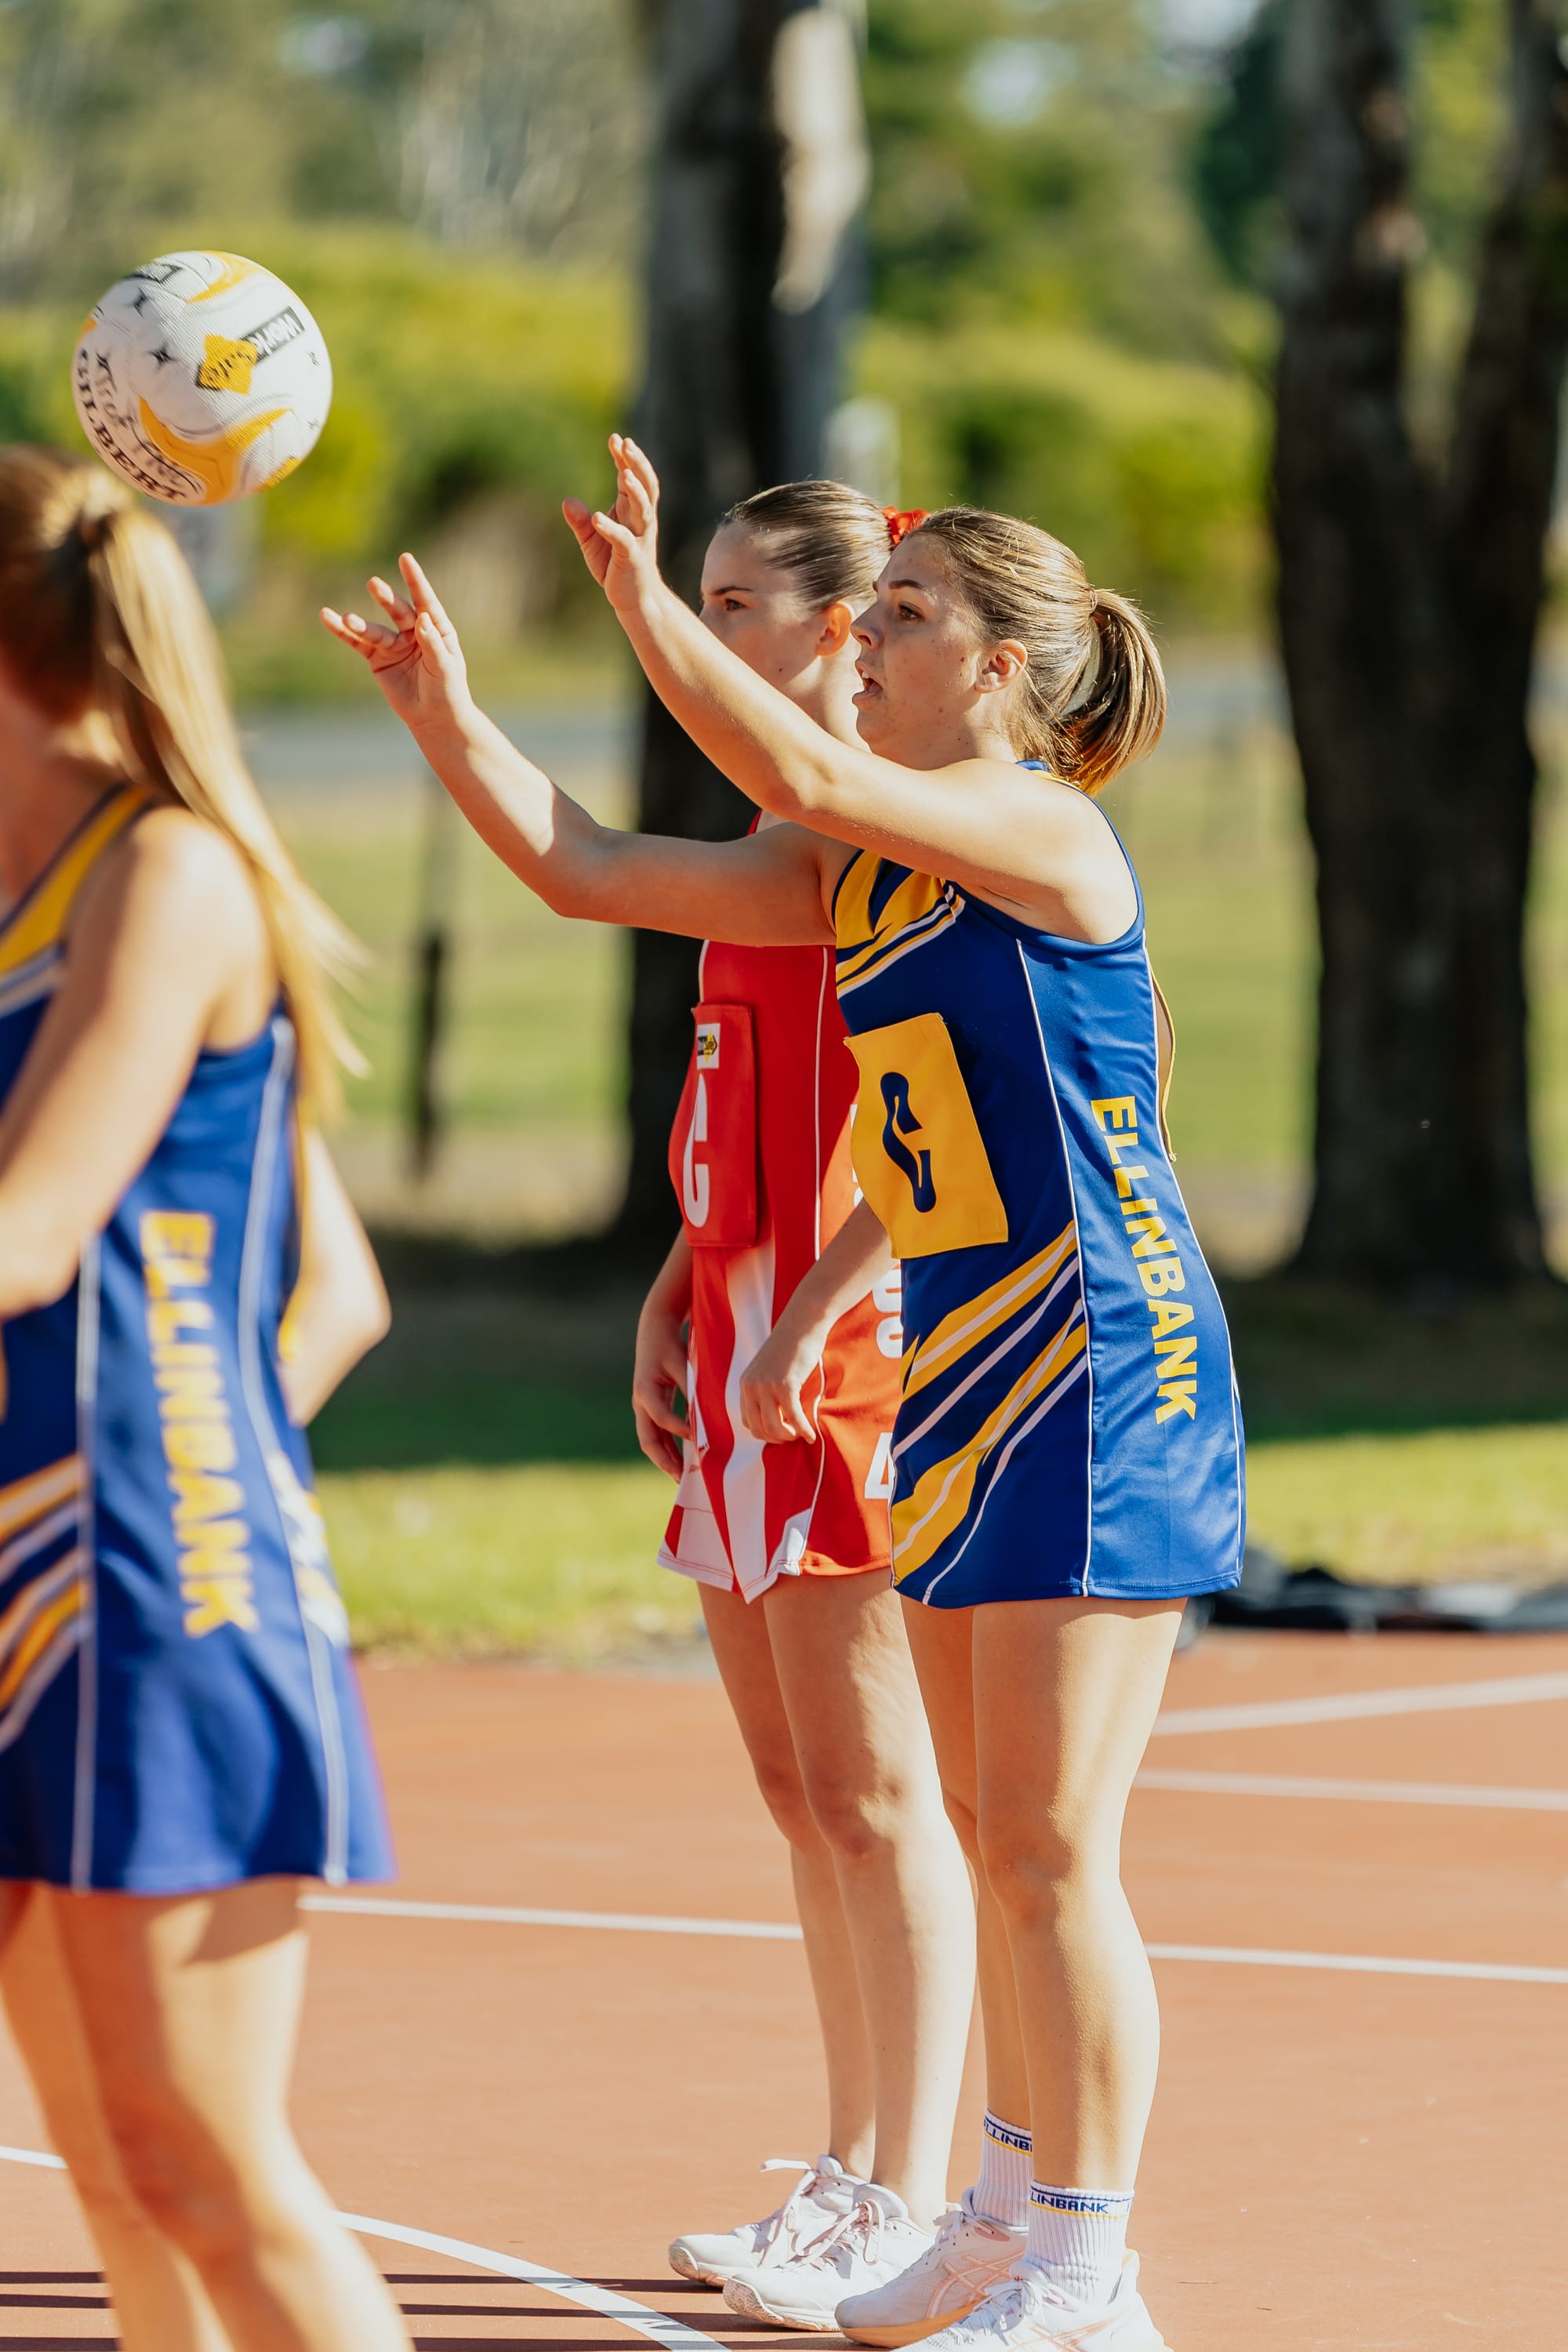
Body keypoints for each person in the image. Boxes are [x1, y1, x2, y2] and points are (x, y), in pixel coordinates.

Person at [328, 431, 1245, 2352]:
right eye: (874, 610)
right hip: (975, 1361)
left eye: (904, 616)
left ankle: (1091, 2266)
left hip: (1104, 1354)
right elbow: (590, 873)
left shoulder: (1045, 830)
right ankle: (997, 2216)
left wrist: (651, 602)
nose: (867, 640)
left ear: (997, 669)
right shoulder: (865, 876)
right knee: (1002, 1836)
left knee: (1053, 1843)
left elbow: (803, 759)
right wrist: (445, 714)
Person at [324, 480, 977, 2333]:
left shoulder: (864, 860)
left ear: (839, 636)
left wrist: (615, 621)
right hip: (742, 1345)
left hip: (847, 1365)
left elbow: (899, 1147)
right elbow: (604, 896)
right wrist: (679, 1288)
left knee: (869, 1796)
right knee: (798, 1795)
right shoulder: (772, 850)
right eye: (692, 594)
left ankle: (901, 2191)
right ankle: (847, 2173)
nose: (701, 622)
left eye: (730, 599)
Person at [0, 446, 410, 2352]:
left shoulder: (160, 871)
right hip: (49, 1570)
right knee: (106, 2161)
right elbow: (335, 1281)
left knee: (200, 2159)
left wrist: (191, 1464)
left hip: (148, 1579)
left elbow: (26, 1238)